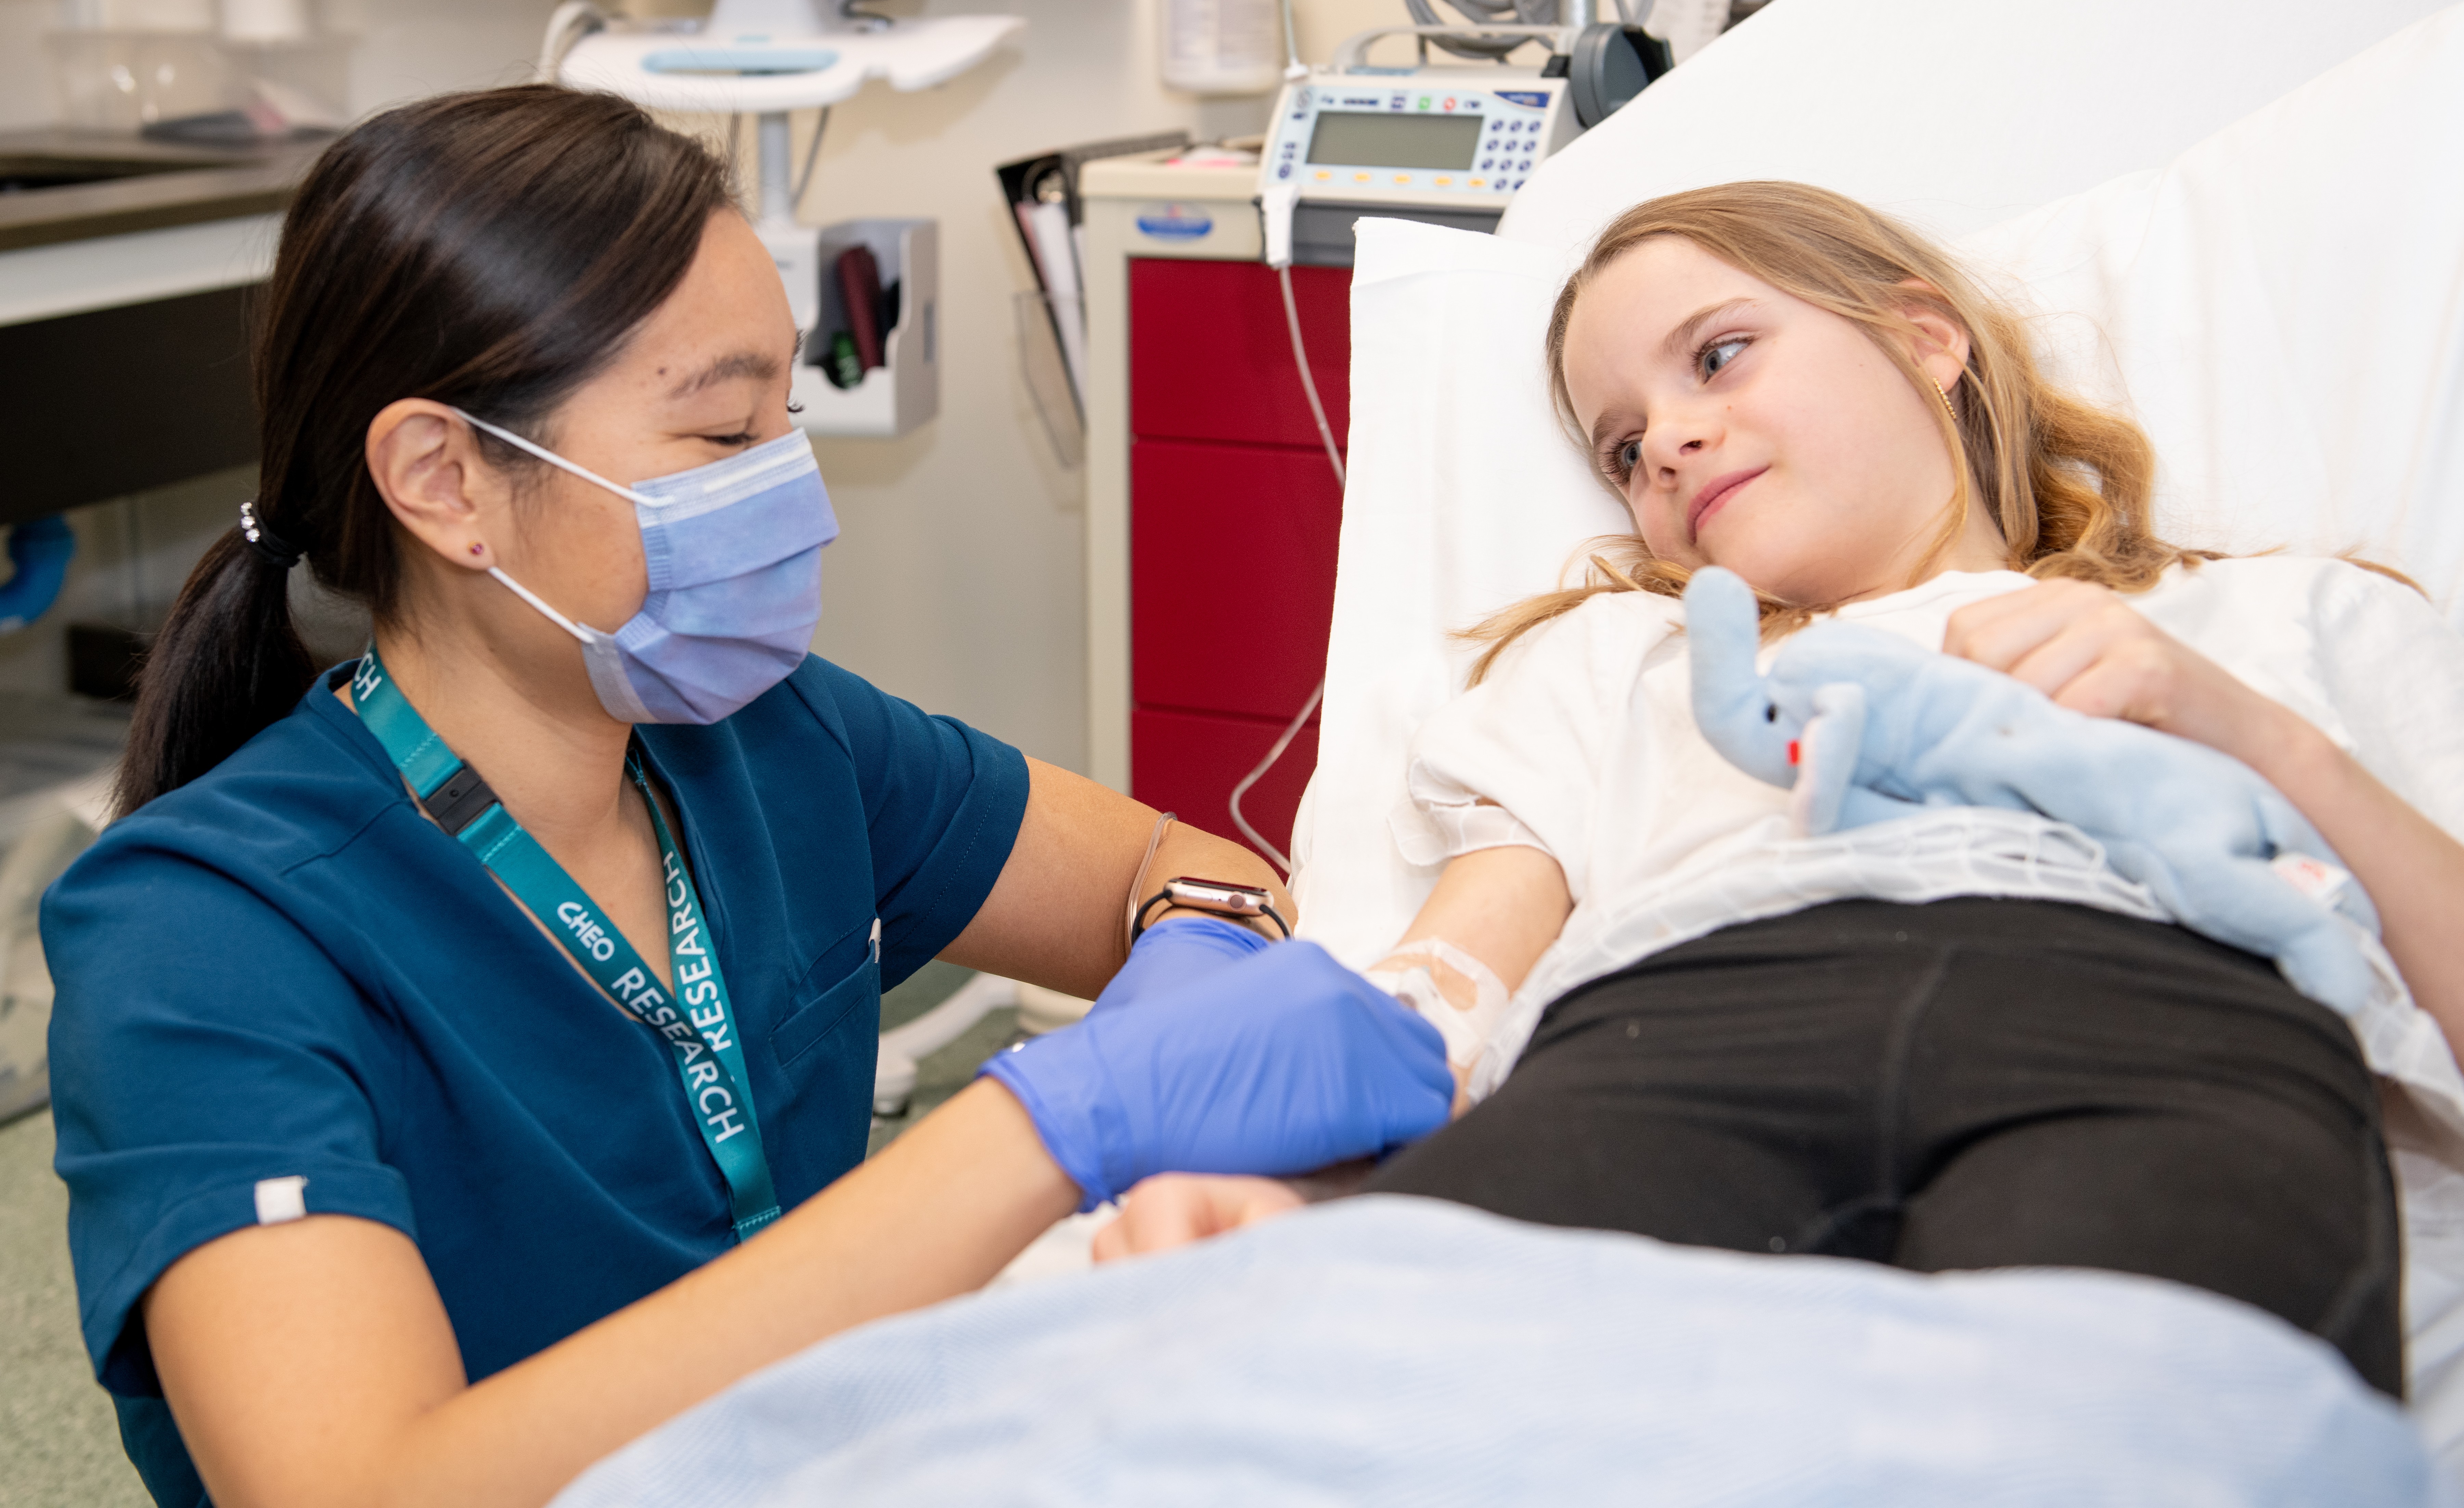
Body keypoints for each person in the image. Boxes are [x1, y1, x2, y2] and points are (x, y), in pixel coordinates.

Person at [41, 86, 1452, 1508]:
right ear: (445, 479)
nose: (795, 489)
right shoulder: (200, 938)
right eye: (724, 438)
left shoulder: (768, 742)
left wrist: (1202, 946)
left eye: (793, 414)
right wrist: (1043, 1122)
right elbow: (356, 1484)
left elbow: (1164, 863)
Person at [1098, 181, 2464, 1398]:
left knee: (2114, 1419)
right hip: (1689, 1023)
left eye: (1720, 355)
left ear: (1925, 335)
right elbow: (1445, 979)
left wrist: (2251, 731)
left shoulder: (2282, 621)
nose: (1671, 443)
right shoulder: (1621, 660)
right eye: (1623, 447)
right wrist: (1312, 1189)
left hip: (2162, 1010)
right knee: (1391, 1394)